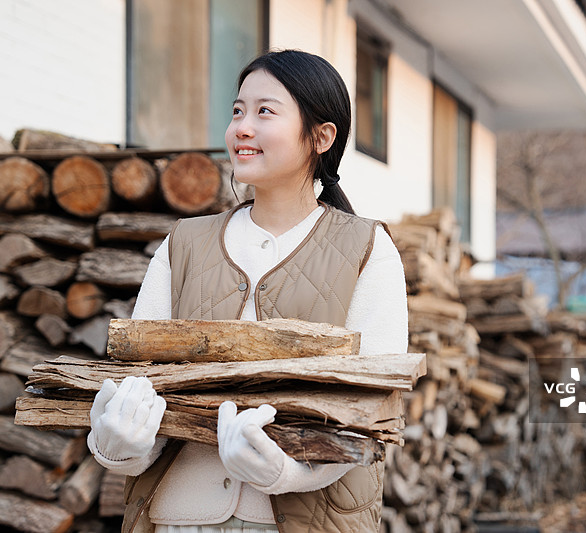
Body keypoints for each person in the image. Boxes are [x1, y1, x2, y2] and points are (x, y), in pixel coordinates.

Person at [87, 49, 409, 533]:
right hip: (177, 519)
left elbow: (370, 409)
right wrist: (117, 446)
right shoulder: (184, 243)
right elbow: (137, 390)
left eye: (265, 111)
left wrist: (288, 472)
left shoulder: (368, 249)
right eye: (237, 110)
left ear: (321, 137)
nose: (241, 127)